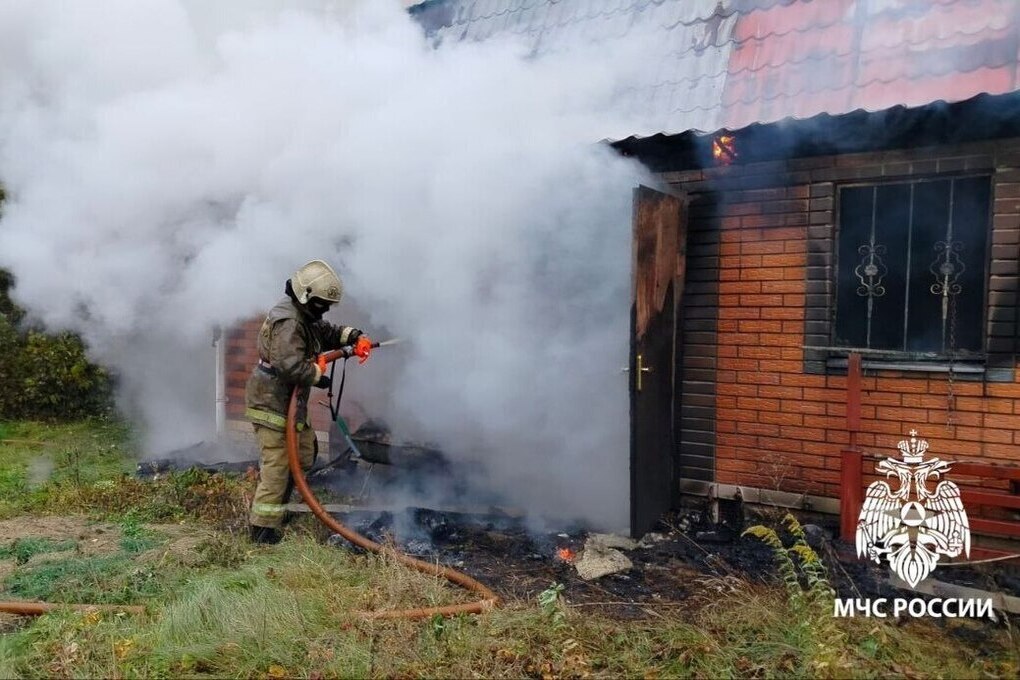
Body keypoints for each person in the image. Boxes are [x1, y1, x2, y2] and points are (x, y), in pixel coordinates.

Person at [244, 259, 367, 544]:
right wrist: (317, 375)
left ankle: (277, 510)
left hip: (288, 401)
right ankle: (262, 528)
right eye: (321, 304)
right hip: (272, 401)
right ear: (306, 295)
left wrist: (354, 336)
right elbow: (289, 366)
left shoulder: (304, 316)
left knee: (303, 456)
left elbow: (325, 333)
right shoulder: (289, 322)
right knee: (279, 463)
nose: (323, 310)